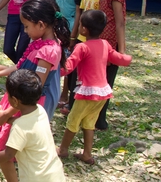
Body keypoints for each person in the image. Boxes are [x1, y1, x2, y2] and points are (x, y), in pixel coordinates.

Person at [0, 0, 69, 182]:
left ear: (41, 25)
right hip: (19, 100)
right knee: (8, 146)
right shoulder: (40, 42)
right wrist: (1, 69)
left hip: (27, 105)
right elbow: (23, 67)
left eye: (27, 26)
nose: (26, 31)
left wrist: (8, 113)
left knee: (6, 149)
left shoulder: (49, 51)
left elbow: (35, 87)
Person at [57, 10, 132, 165]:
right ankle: (87, 154)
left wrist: (55, 71)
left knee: (73, 120)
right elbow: (117, 58)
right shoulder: (105, 44)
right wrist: (127, 59)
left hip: (87, 92)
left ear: (83, 29)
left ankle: (63, 149)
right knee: (89, 122)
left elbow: (69, 66)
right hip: (103, 92)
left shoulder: (81, 47)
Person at [92, 0, 132, 131]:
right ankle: (95, 115)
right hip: (102, 44)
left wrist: (121, 50)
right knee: (99, 78)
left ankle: (100, 119)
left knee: (106, 81)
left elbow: (120, 22)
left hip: (111, 46)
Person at [62, 0, 102, 116]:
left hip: (94, 43)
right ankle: (71, 104)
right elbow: (79, 16)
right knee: (74, 75)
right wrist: (73, 37)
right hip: (80, 39)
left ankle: (84, 107)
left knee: (87, 75)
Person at [53, 0, 85, 109]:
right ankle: (54, 91)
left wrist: (73, 36)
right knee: (55, 60)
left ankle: (65, 94)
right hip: (56, 27)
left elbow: (79, 13)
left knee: (67, 63)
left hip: (70, 29)